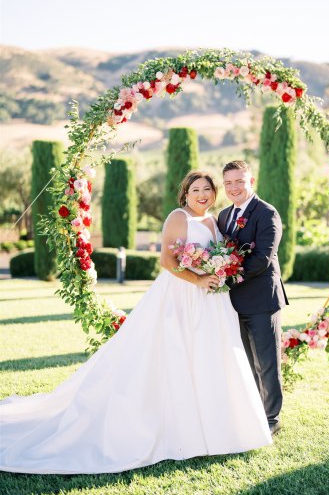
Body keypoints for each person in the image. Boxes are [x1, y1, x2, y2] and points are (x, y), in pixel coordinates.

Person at [0, 170, 272, 475]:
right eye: (196, 189)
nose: (202, 195)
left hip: (212, 301)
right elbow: (167, 262)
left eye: (207, 189)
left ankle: (215, 424)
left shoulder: (213, 220)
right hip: (181, 295)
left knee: (209, 357)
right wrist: (198, 279)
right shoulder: (178, 217)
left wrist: (219, 271)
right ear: (185, 193)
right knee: (172, 354)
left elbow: (223, 253)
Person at [218, 161, 288, 436]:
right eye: (228, 183)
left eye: (239, 181)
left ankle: (271, 418)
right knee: (245, 361)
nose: (234, 188)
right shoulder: (224, 215)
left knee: (267, 362)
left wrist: (227, 277)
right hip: (233, 303)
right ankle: (251, 410)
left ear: (251, 181)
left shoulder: (267, 213)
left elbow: (262, 259)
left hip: (261, 301)